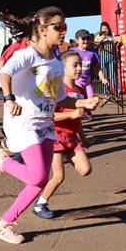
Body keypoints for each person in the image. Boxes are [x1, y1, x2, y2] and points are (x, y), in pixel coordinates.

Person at [0, 6, 100, 244]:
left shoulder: (54, 63)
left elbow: (59, 97)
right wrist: (8, 98)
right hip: (23, 122)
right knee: (39, 175)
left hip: (45, 125)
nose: (63, 31)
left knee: (40, 181)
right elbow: (5, 74)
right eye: (58, 27)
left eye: (65, 27)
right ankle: (2, 162)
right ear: (42, 30)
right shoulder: (27, 55)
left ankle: (3, 224)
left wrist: (84, 102)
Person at [32, 50, 93, 219]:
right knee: (58, 176)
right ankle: (40, 204)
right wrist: (70, 115)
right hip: (55, 136)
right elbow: (47, 115)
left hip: (72, 137)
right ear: (63, 68)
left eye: (80, 64)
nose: (79, 68)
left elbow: (78, 117)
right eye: (75, 65)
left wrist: (84, 136)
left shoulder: (80, 90)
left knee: (85, 170)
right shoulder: (55, 87)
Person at [70, 29, 108, 100]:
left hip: (87, 82)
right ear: (77, 40)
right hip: (76, 82)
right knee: (79, 103)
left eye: (88, 38)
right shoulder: (72, 51)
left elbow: (97, 66)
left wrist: (102, 78)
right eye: (83, 38)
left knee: (91, 101)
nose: (86, 41)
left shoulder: (92, 52)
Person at [94, 22, 119, 97]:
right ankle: (106, 94)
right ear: (101, 29)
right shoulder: (98, 36)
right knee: (104, 75)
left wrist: (110, 39)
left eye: (106, 28)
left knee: (112, 75)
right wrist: (101, 39)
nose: (104, 30)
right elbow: (96, 45)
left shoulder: (112, 35)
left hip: (111, 56)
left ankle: (116, 94)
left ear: (108, 29)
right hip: (102, 56)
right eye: (103, 28)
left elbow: (117, 42)